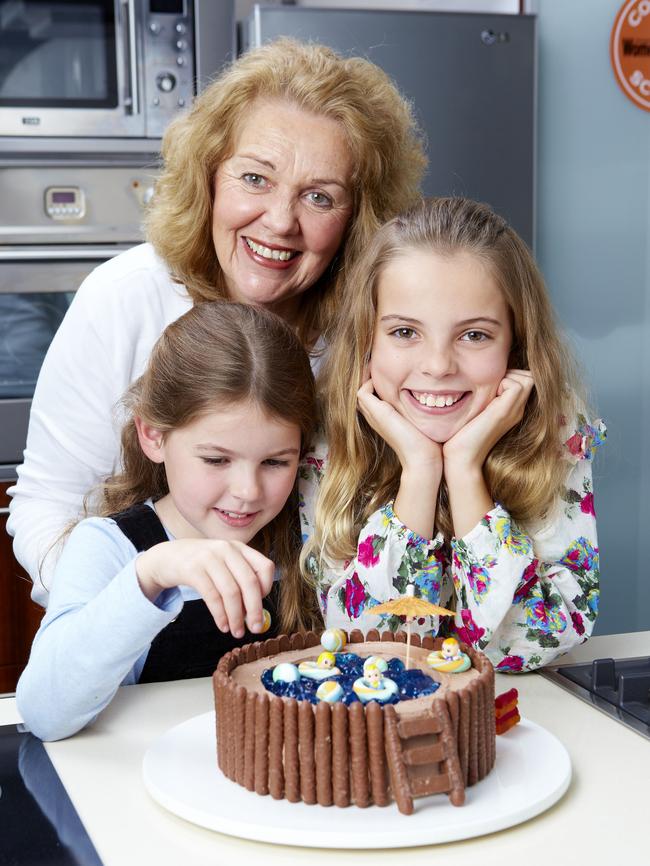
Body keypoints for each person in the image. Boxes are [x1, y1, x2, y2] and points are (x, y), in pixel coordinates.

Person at [7, 37, 426, 605]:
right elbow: (47, 506)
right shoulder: (124, 299)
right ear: (208, 174)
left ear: (359, 218)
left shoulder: (377, 329)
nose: (280, 222)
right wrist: (112, 608)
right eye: (255, 178)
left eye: (320, 198)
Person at [299, 197, 605, 672]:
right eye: (404, 332)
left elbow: (530, 643)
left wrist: (464, 471)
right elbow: (376, 649)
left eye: (474, 335)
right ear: (368, 340)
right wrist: (420, 472)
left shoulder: (555, 424)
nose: (439, 365)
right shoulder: (330, 433)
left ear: (516, 345)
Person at [16, 302, 321, 741]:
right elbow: (46, 712)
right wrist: (151, 573)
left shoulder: (309, 534)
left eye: (275, 461)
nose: (248, 490)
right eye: (216, 459)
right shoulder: (109, 547)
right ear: (154, 436)